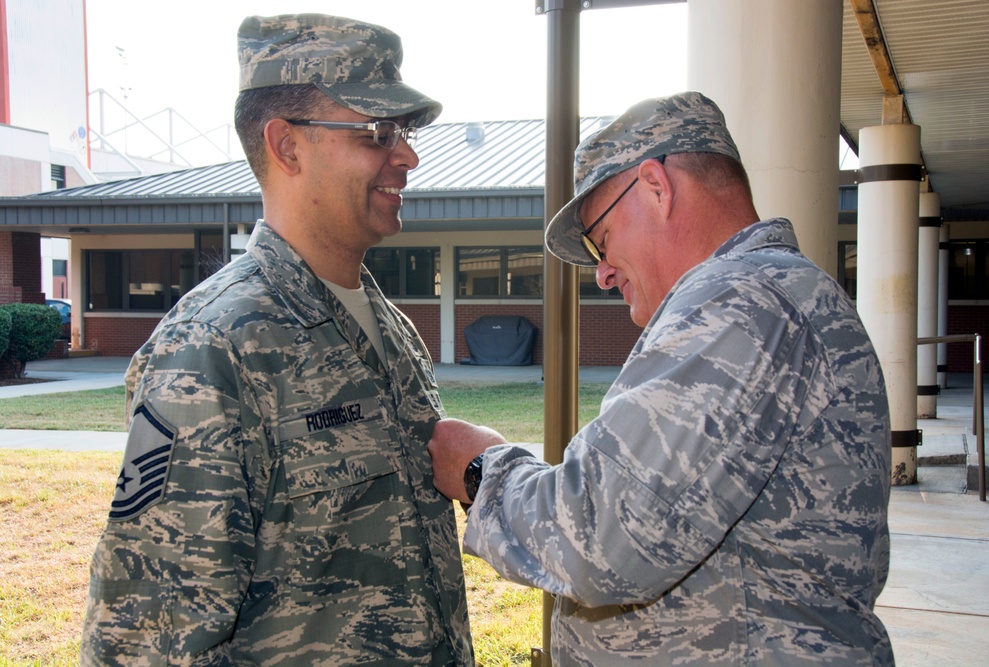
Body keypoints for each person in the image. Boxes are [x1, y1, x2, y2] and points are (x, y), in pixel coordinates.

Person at [429, 92, 894, 665]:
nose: (600, 272)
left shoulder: (741, 300)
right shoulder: (771, 296)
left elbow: (601, 538)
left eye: (600, 237)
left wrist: (482, 470)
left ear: (656, 186)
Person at [82, 14, 473, 665]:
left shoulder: (389, 328)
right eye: (379, 132)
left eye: (403, 132)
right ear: (287, 146)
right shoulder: (214, 348)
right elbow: (143, 638)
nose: (407, 155)